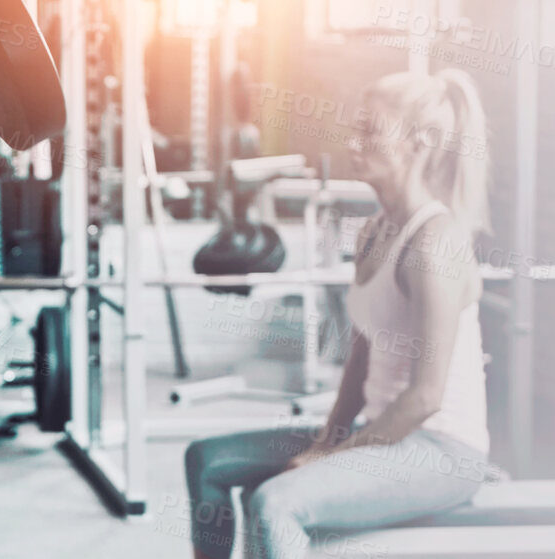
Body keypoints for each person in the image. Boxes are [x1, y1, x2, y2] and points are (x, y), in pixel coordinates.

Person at [184, 69, 498, 559]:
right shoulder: (374, 231)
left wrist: (329, 456)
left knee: (274, 504)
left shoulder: (435, 244)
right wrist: (330, 435)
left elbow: (424, 398)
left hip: (441, 453)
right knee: (206, 460)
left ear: (418, 145)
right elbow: (360, 358)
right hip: (382, 433)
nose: (355, 143)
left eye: (371, 133)